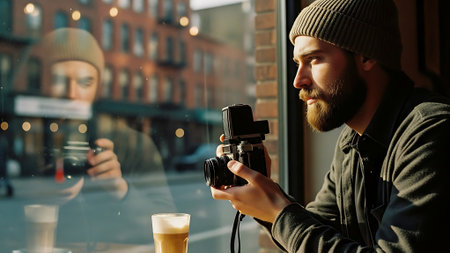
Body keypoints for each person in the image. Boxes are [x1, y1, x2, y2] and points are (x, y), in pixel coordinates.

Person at [210, 0, 450, 252]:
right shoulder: (352, 141)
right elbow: (321, 228)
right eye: (296, 63)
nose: (297, 80)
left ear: (366, 55)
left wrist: (279, 211)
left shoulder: (432, 132)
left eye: (313, 59)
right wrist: (264, 197)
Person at [1, 28, 175, 251]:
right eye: (58, 79)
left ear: (98, 86)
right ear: (41, 81)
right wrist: (32, 194)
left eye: (85, 83)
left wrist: (121, 189)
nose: (72, 93)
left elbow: (168, 225)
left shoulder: (132, 143)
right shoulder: (22, 139)